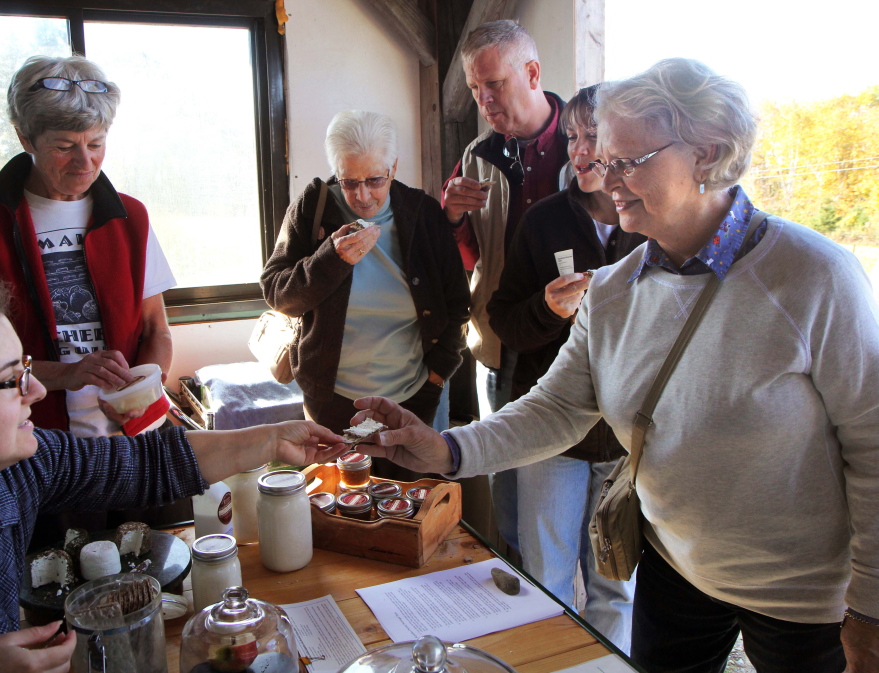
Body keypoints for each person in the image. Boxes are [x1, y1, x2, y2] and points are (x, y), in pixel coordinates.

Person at [351, 59, 879, 673]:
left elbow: (872, 446)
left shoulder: (817, 277)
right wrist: (445, 451)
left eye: (630, 161)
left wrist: (869, 605)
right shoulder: (614, 288)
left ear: (707, 153)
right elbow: (556, 408)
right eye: (605, 158)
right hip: (675, 570)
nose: (608, 178)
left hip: (805, 595)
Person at [0, 272, 346, 673]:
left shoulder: (18, 470)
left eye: (26, 369)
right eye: (11, 381)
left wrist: (271, 439)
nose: (38, 390)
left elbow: (146, 462)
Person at [0, 55, 175, 439]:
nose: (85, 162)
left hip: (125, 437)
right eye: (64, 146)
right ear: (25, 138)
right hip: (29, 438)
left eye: (96, 143)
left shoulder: (129, 217)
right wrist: (65, 374)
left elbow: (156, 331)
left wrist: (140, 393)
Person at [485, 85, 644, 651]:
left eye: (593, 136)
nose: (579, 150)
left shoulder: (653, 224)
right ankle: (549, 662)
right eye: (573, 136)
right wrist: (548, 310)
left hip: (627, 436)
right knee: (546, 578)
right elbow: (503, 319)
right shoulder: (543, 221)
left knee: (614, 585)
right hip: (551, 433)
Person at [260, 110, 469, 476]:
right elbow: (278, 293)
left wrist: (437, 377)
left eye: (375, 180)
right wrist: (332, 259)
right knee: (340, 509)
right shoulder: (314, 206)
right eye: (349, 181)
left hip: (414, 396)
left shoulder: (422, 213)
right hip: (332, 400)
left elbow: (457, 304)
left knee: (414, 510)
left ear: (394, 167)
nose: (362, 195)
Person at [440, 19, 568, 552]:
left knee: (569, 490)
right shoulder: (476, 157)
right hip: (500, 342)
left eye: (494, 84)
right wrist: (450, 218)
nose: (484, 100)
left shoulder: (583, 145)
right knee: (510, 487)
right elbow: (467, 261)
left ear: (532, 72)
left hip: (573, 344)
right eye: (474, 88)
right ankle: (518, 582)